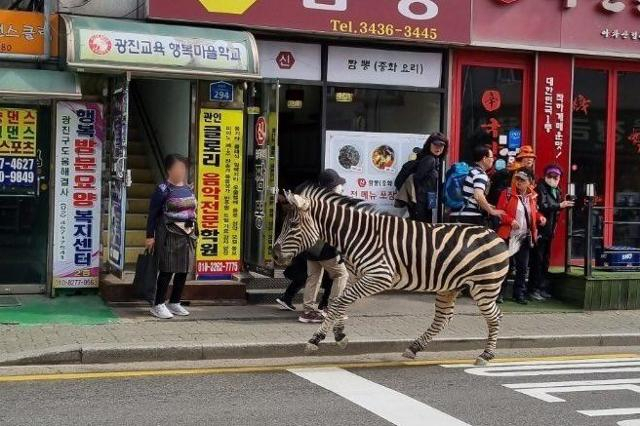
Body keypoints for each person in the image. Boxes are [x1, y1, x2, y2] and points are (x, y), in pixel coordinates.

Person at [145, 154, 198, 319]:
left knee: (183, 270)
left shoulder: (188, 188)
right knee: (167, 270)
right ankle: (158, 304)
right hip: (168, 235)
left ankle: (175, 302)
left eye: (183, 168)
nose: (181, 171)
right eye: (178, 168)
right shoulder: (162, 190)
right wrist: (150, 236)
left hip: (187, 235)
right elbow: (152, 214)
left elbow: (193, 211)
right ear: (169, 170)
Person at [299, 169, 350, 324]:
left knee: (313, 277)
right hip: (326, 249)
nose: (341, 187)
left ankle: (307, 312)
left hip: (310, 246)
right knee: (341, 275)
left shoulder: (313, 199)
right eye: (338, 185)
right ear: (332, 187)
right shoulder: (331, 204)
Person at [496, 168, 546, 305]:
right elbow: (499, 212)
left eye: (522, 180)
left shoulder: (532, 197)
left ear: (530, 182)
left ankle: (519, 294)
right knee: (506, 265)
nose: (518, 182)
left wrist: (540, 218)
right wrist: (510, 221)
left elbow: (533, 213)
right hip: (508, 235)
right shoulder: (506, 193)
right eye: (517, 179)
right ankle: (499, 293)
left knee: (523, 267)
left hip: (524, 236)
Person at [529, 165, 574, 300]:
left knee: (545, 261)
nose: (553, 179)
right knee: (537, 260)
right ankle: (533, 289)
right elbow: (543, 206)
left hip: (549, 230)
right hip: (540, 229)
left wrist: (561, 205)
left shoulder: (557, 190)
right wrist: (559, 205)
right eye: (550, 176)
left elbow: (554, 209)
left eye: (556, 177)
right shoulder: (541, 188)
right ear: (546, 175)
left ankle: (541, 288)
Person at [450, 144, 504, 225]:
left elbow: (470, 195)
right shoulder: (480, 174)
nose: (493, 160)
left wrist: (488, 205)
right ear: (484, 159)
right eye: (492, 157)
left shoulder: (471, 171)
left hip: (457, 213)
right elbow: (478, 196)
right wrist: (491, 211)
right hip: (469, 217)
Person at [412, 132, 448, 222]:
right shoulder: (429, 159)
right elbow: (417, 179)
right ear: (429, 145)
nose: (438, 148)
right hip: (421, 202)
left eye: (441, 145)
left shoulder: (435, 160)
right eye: (435, 145)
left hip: (427, 200)